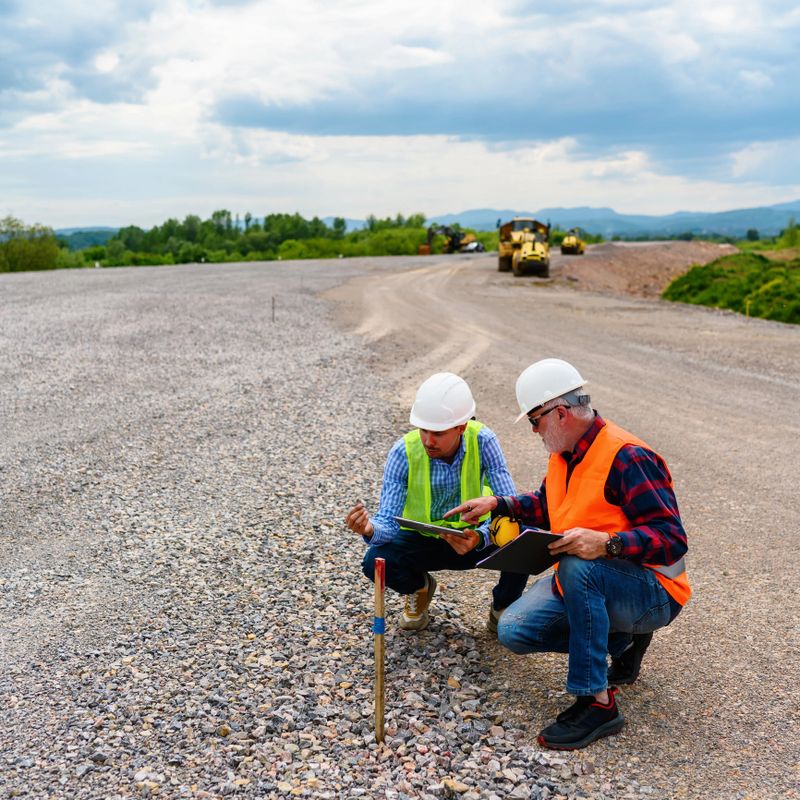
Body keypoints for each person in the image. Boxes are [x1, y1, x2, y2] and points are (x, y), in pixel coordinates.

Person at [445, 358, 690, 750]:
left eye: (534, 421)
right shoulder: (564, 454)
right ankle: (622, 640)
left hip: (653, 591)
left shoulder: (628, 457)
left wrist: (607, 544)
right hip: (595, 584)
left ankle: (596, 702)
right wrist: (498, 504)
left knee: (579, 565)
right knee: (515, 630)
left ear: (559, 413)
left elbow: (672, 540)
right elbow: (546, 505)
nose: (533, 430)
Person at [345, 372, 527, 632]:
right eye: (424, 430)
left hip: (472, 539)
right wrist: (368, 529)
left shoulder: (484, 440)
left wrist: (482, 537)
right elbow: (387, 522)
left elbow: (511, 507)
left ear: (461, 427)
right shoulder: (403, 452)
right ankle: (419, 588)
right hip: (420, 542)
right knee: (374, 561)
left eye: (438, 433)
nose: (428, 440)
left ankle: (503, 607)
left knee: (524, 538)